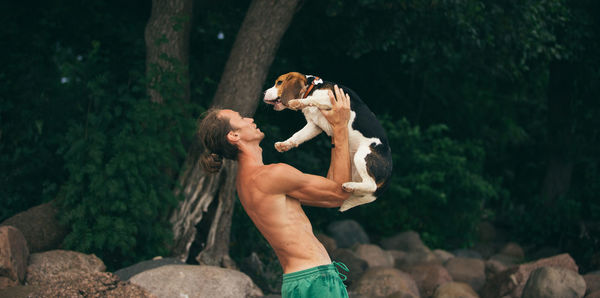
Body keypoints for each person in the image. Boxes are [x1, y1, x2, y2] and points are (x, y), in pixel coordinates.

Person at [197, 85, 352, 298]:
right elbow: (339, 193)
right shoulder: (272, 176)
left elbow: (333, 195)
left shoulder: (245, 184)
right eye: (241, 118)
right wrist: (340, 127)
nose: (249, 119)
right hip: (316, 282)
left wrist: (336, 131)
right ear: (233, 135)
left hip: (297, 283)